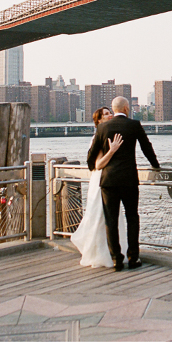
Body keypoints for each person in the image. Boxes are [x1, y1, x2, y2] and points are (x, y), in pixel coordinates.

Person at [87, 95, 160, 271]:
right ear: (126, 108)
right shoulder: (134, 126)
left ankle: (116, 259)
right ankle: (133, 257)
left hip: (109, 181)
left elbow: (91, 158)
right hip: (129, 179)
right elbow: (146, 147)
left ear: (114, 109)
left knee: (110, 221)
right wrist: (155, 165)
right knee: (132, 217)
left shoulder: (103, 128)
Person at [70, 107, 126, 268]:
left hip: (110, 181)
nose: (110, 115)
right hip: (100, 180)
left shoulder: (109, 134)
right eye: (106, 114)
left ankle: (114, 251)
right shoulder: (99, 137)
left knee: (111, 216)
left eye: (111, 113)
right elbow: (98, 164)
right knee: (100, 215)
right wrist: (113, 151)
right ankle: (100, 253)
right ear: (99, 120)